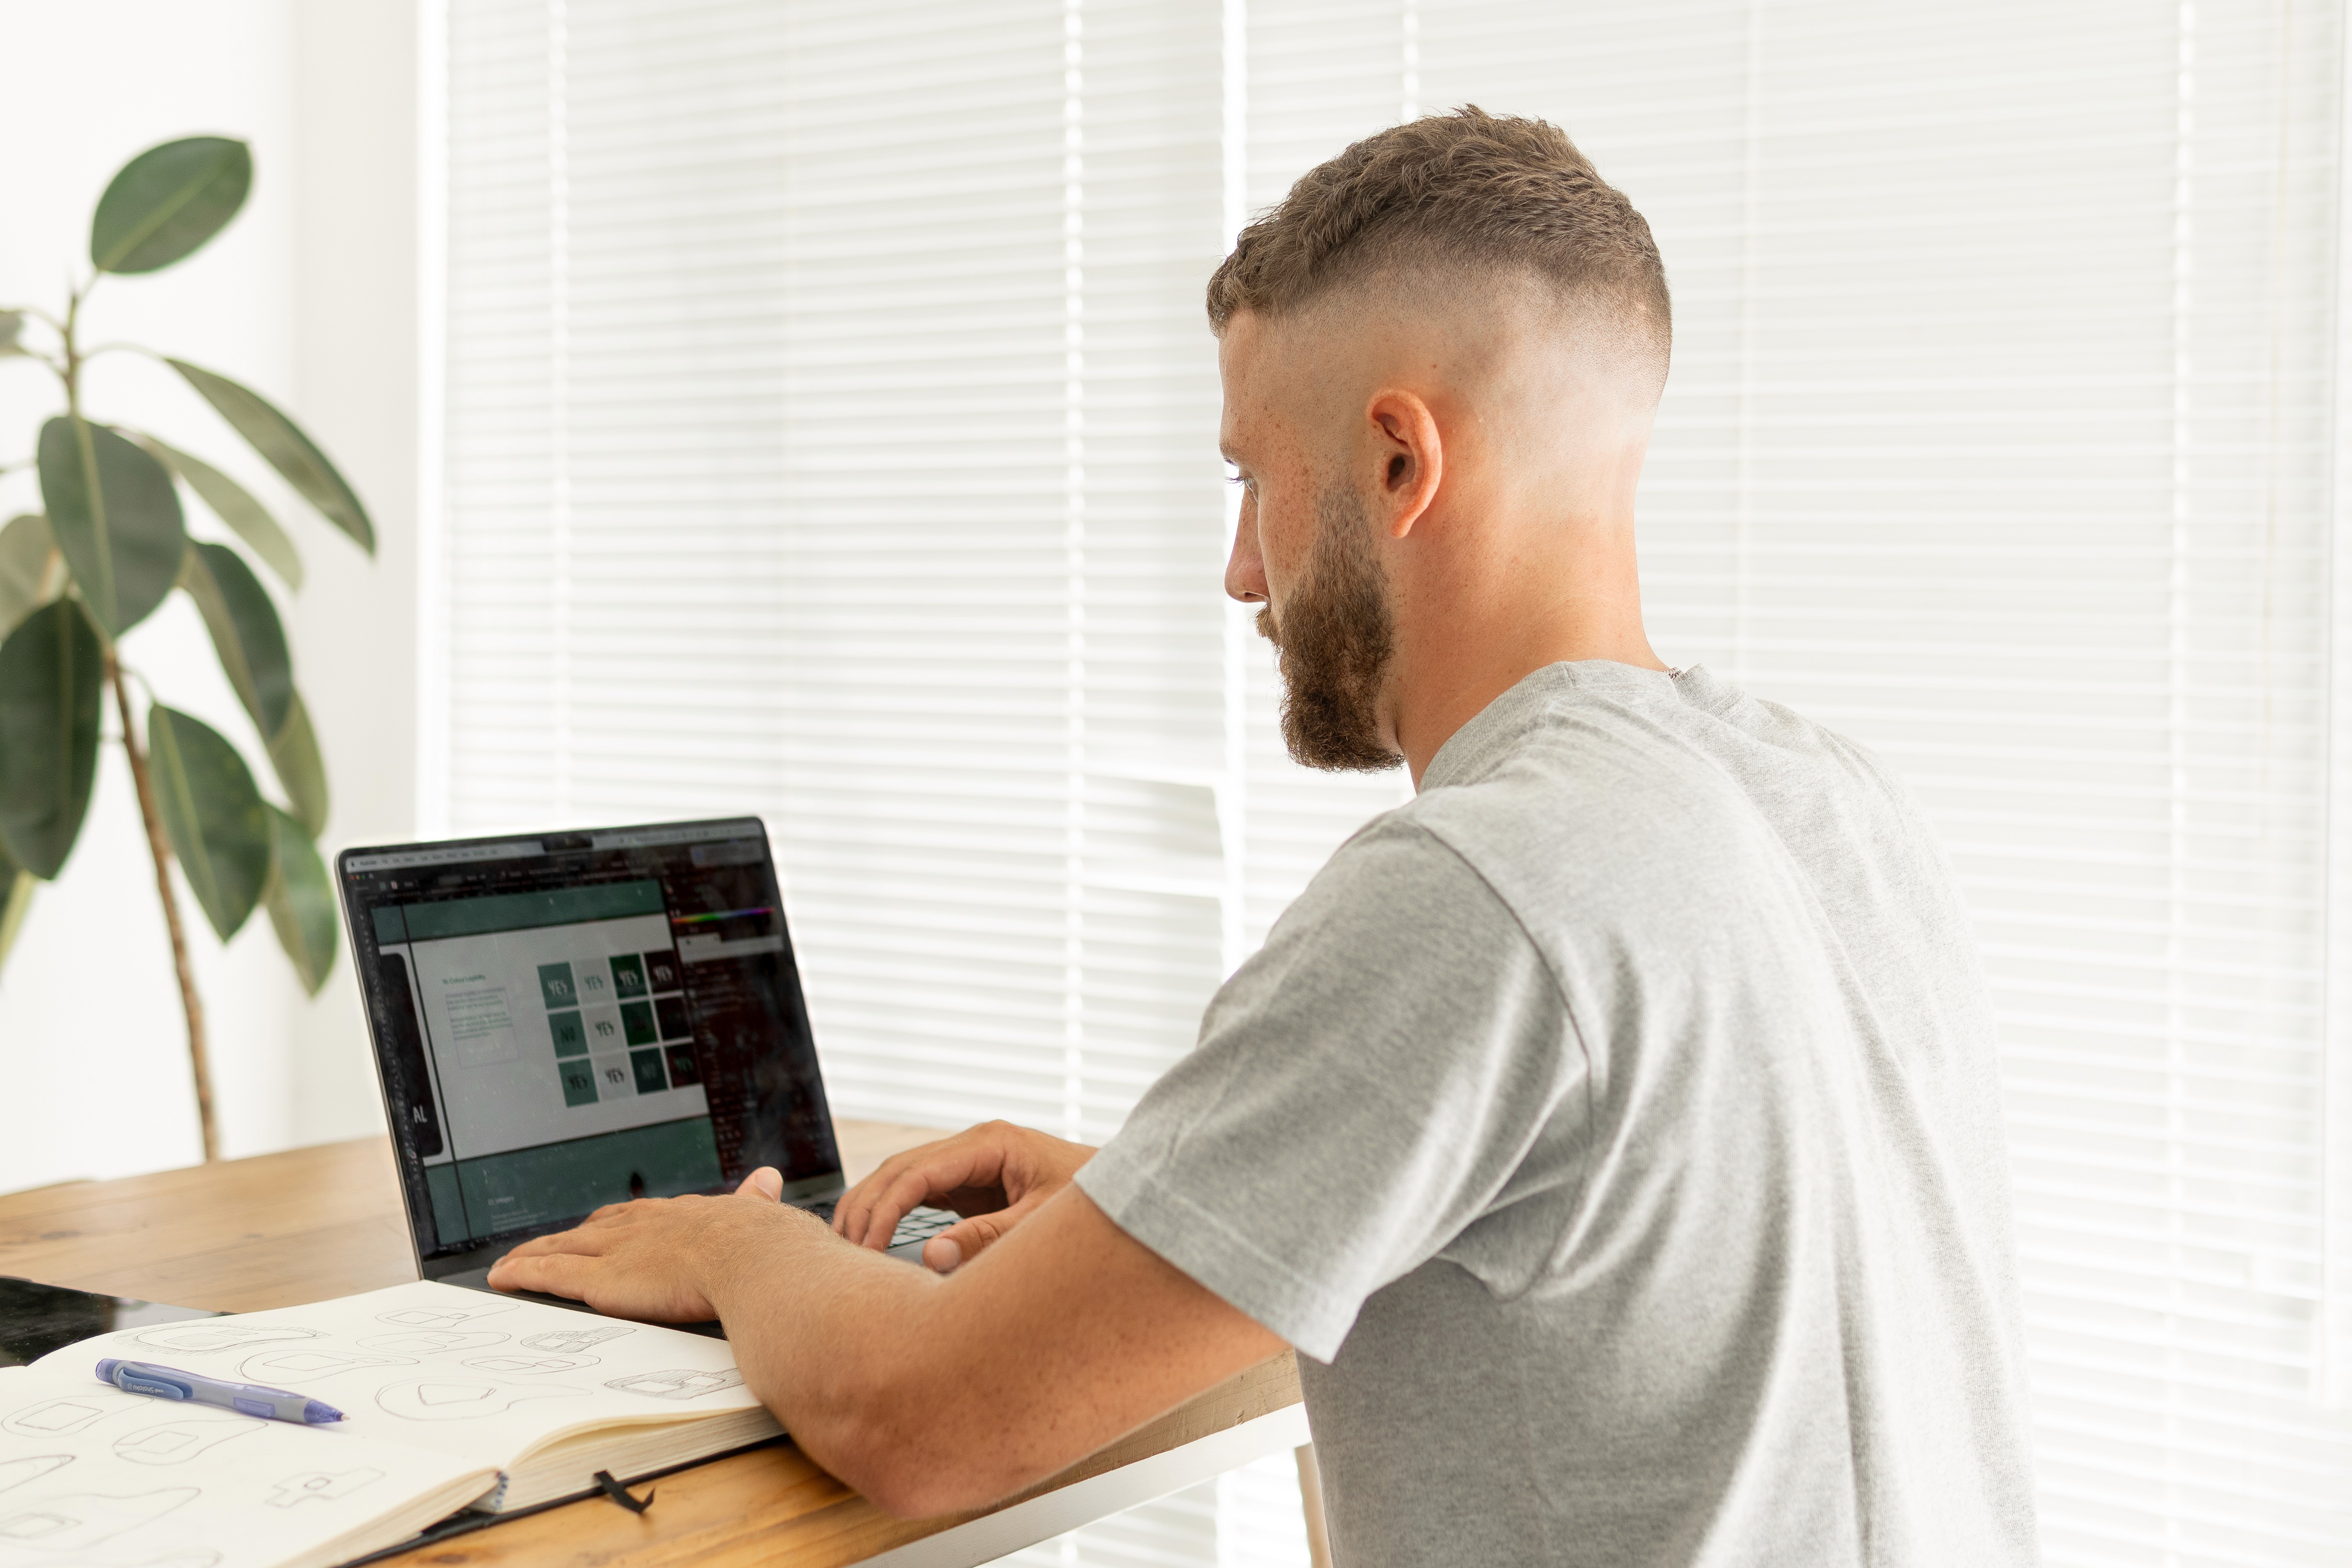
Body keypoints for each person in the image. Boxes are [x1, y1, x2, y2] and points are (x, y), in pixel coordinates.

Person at [489, 106, 2040, 1566]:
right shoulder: (1819, 799)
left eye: (1252, 482)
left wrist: (731, 1249)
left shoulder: (1486, 885)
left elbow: (925, 1423)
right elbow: (1654, 1248)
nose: (1243, 573)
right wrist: (1157, 1203)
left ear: (1397, 463)